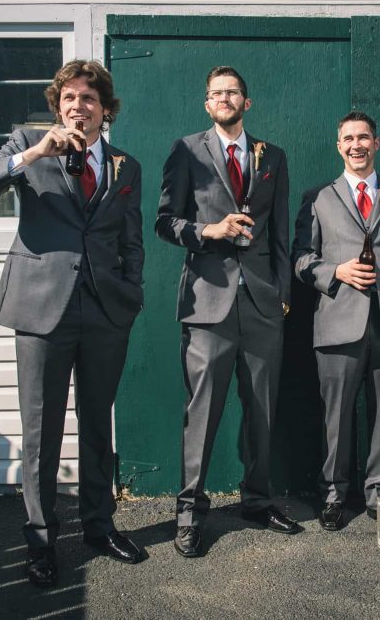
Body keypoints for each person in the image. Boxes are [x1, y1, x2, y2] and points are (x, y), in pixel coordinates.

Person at [0, 60, 146, 587]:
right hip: (42, 310)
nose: (77, 107)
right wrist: (36, 152)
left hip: (106, 311)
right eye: (68, 98)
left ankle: (99, 526)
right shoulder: (25, 142)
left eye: (89, 99)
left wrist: (131, 294)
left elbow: (130, 239)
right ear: (56, 105)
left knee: (95, 422)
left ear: (104, 111)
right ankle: (40, 541)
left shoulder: (125, 165)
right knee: (41, 432)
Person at [156, 66, 301, 558]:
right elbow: (164, 222)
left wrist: (282, 293)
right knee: (203, 413)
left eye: (232, 91)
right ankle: (190, 514)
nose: (224, 98)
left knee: (261, 412)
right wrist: (207, 231)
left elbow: (281, 231)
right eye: (216, 92)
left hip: (262, 302)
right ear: (207, 103)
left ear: (247, 102)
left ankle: (257, 502)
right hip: (208, 300)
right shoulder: (185, 150)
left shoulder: (273, 156)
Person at [293, 111, 380, 530]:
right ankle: (334, 493)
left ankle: (379, 492)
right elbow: (300, 259)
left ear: (376, 143)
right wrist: (336, 272)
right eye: (349, 138)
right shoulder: (319, 197)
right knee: (336, 415)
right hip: (338, 321)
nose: (357, 145)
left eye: (364, 137)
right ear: (339, 146)